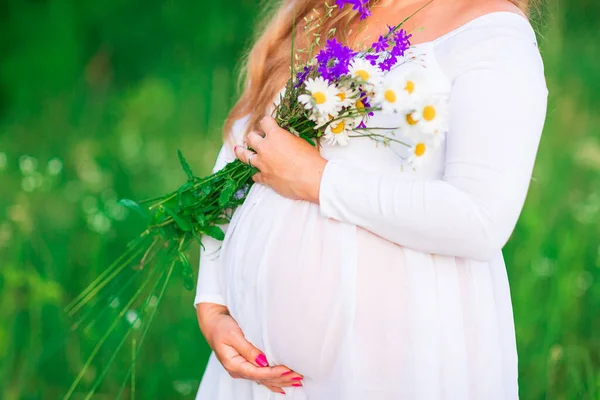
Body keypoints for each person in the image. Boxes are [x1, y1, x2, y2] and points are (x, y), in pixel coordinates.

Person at [194, 0, 548, 398]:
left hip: (390, 360)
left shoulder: (492, 33)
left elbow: (480, 219)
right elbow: (240, 152)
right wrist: (214, 303)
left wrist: (320, 180)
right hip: (259, 375)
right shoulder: (328, 10)